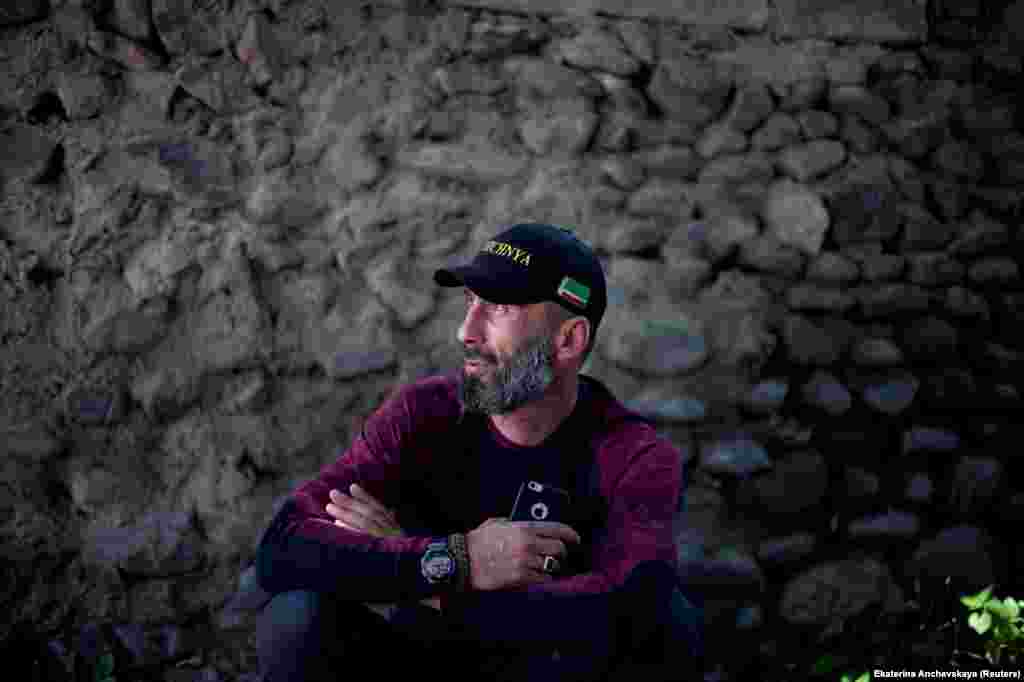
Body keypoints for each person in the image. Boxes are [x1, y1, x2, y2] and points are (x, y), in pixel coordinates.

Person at [253, 222, 703, 681]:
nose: (465, 331)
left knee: (673, 624)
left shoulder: (634, 456)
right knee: (295, 621)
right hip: (423, 667)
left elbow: (634, 604)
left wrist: (431, 584)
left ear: (568, 340)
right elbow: (283, 546)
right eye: (470, 302)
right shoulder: (421, 412)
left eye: (500, 307)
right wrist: (457, 558)